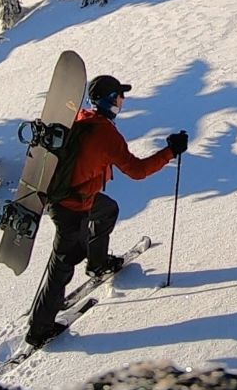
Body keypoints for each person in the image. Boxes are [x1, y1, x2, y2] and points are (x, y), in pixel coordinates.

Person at [25, 73, 188, 345]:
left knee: (107, 209)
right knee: (63, 262)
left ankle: (98, 263)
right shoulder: (105, 133)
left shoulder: (83, 119)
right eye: (120, 96)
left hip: (76, 197)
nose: (123, 101)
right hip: (71, 206)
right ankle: (39, 329)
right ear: (111, 101)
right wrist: (170, 152)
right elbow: (137, 171)